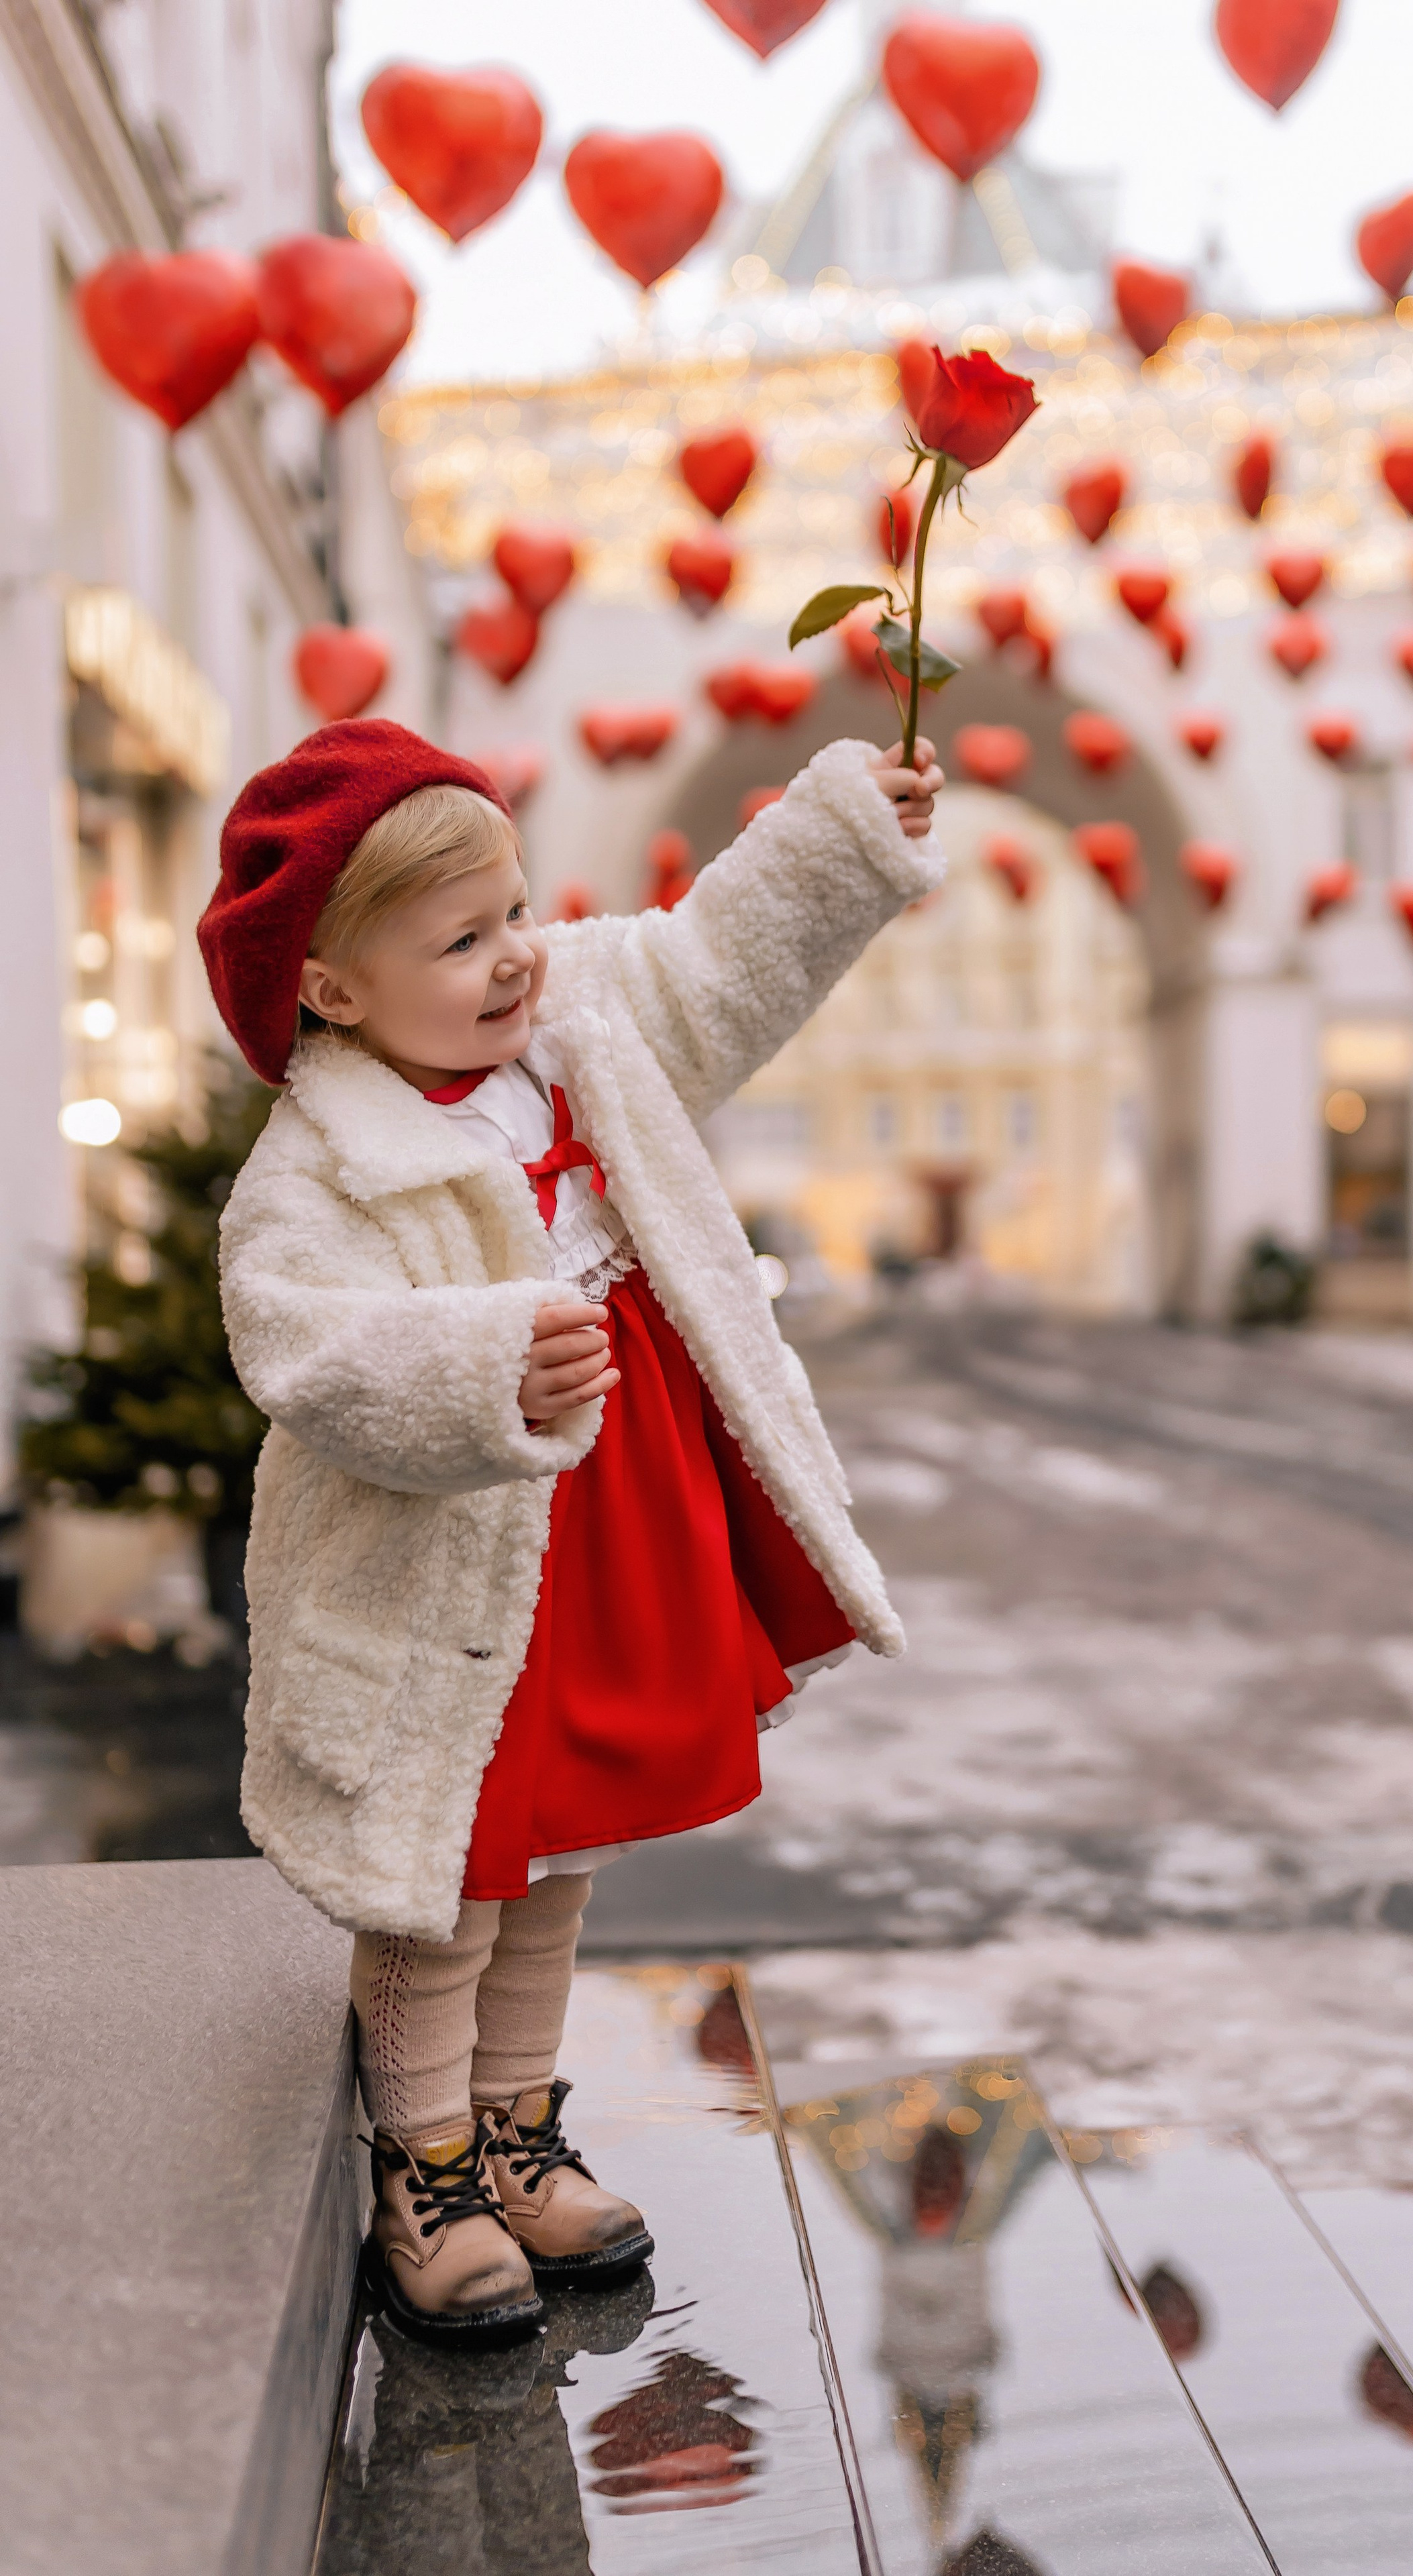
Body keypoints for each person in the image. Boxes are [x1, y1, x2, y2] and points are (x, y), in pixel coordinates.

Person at [198, 717, 943, 2349]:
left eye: (514, 913)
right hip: (448, 1553)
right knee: (450, 1865)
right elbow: (300, 1341)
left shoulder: (580, 1018)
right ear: (331, 990)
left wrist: (840, 831)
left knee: (554, 1854)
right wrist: (474, 1365)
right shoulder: (322, 1164)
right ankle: (429, 2160)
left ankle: (519, 2127)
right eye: (460, 942)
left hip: (611, 1518)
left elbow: (715, 957)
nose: (511, 957)